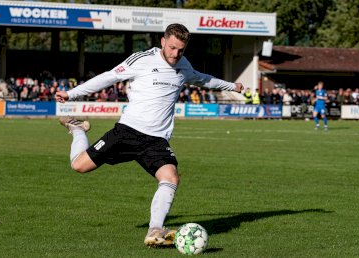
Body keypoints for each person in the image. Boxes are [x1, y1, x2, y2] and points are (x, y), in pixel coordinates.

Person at [55, 23, 243, 247]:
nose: (175, 54)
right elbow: (108, 77)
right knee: (79, 166)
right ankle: (77, 129)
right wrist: (71, 93)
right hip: (127, 132)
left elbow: (203, 79)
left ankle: (155, 229)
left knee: (171, 177)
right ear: (163, 42)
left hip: (156, 140)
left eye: (180, 50)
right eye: (172, 48)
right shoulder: (141, 60)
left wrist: (232, 85)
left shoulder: (184, 65)